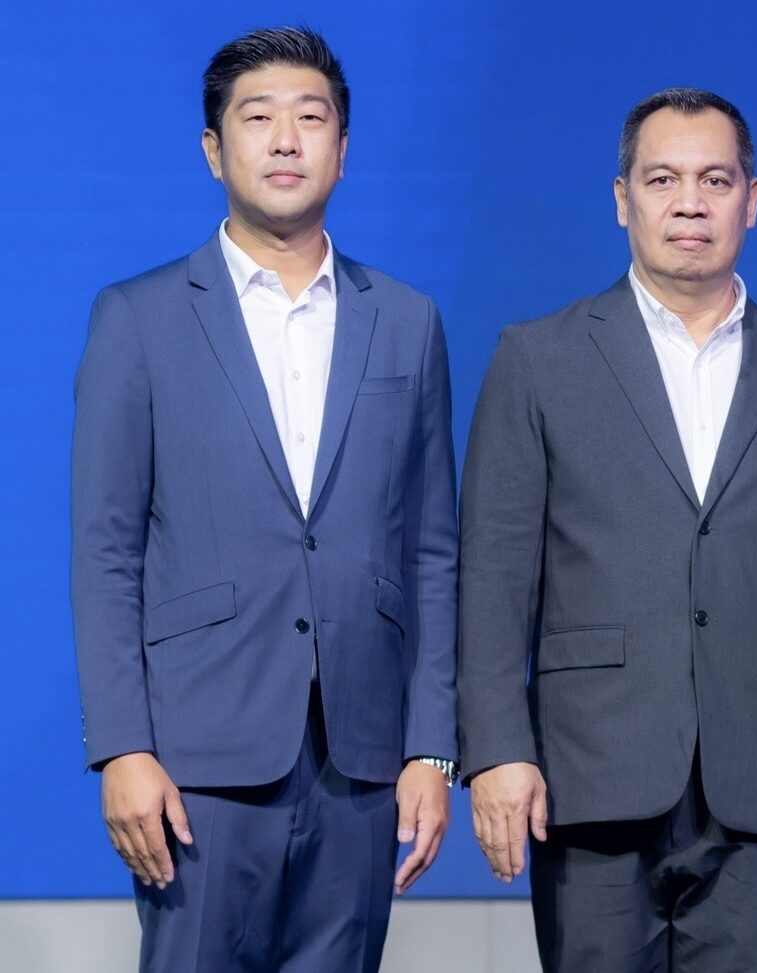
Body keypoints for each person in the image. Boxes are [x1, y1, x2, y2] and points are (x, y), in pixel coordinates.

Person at [456, 87, 757, 973]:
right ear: (623, 199)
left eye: (714, 180)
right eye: (662, 180)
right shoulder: (536, 359)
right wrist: (497, 750)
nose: (689, 203)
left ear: (752, 200)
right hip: (588, 778)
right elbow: (493, 579)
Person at [69, 27, 459, 972]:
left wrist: (432, 748)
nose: (286, 140)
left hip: (361, 759)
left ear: (343, 149)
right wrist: (122, 748)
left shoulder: (406, 321)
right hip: (196, 760)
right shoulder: (139, 317)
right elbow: (106, 550)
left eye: (310, 118)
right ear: (214, 150)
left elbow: (433, 552)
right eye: (258, 118)